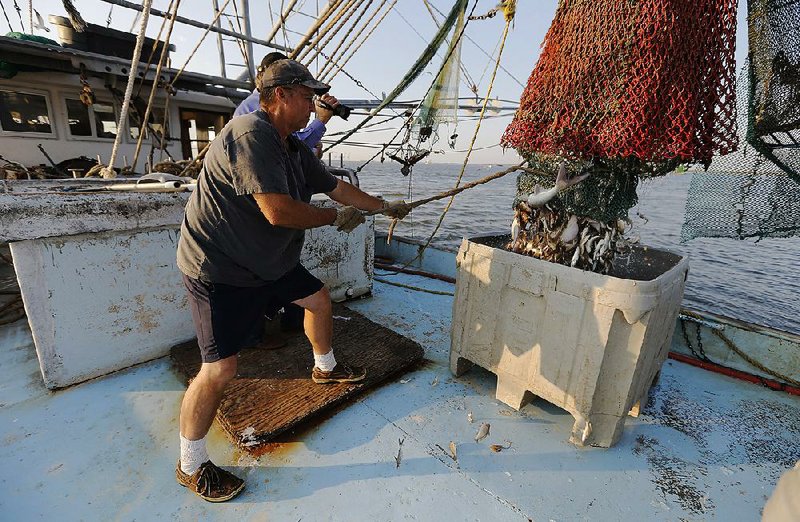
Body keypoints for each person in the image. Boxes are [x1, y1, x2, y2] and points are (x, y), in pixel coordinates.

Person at [174, 58, 410, 502]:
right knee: (220, 369)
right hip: (219, 266)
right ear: (280, 95)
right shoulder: (251, 134)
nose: (313, 106)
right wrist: (332, 218)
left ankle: (326, 369)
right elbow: (278, 211)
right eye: (307, 97)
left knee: (318, 299)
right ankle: (190, 463)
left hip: (267, 260)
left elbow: (337, 187)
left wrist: (383, 206)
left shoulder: (292, 146)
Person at [234, 52, 338, 153]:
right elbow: (291, 150)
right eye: (307, 98)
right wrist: (321, 120)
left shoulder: (252, 107)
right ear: (280, 94)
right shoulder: (255, 114)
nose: (311, 108)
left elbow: (291, 147)